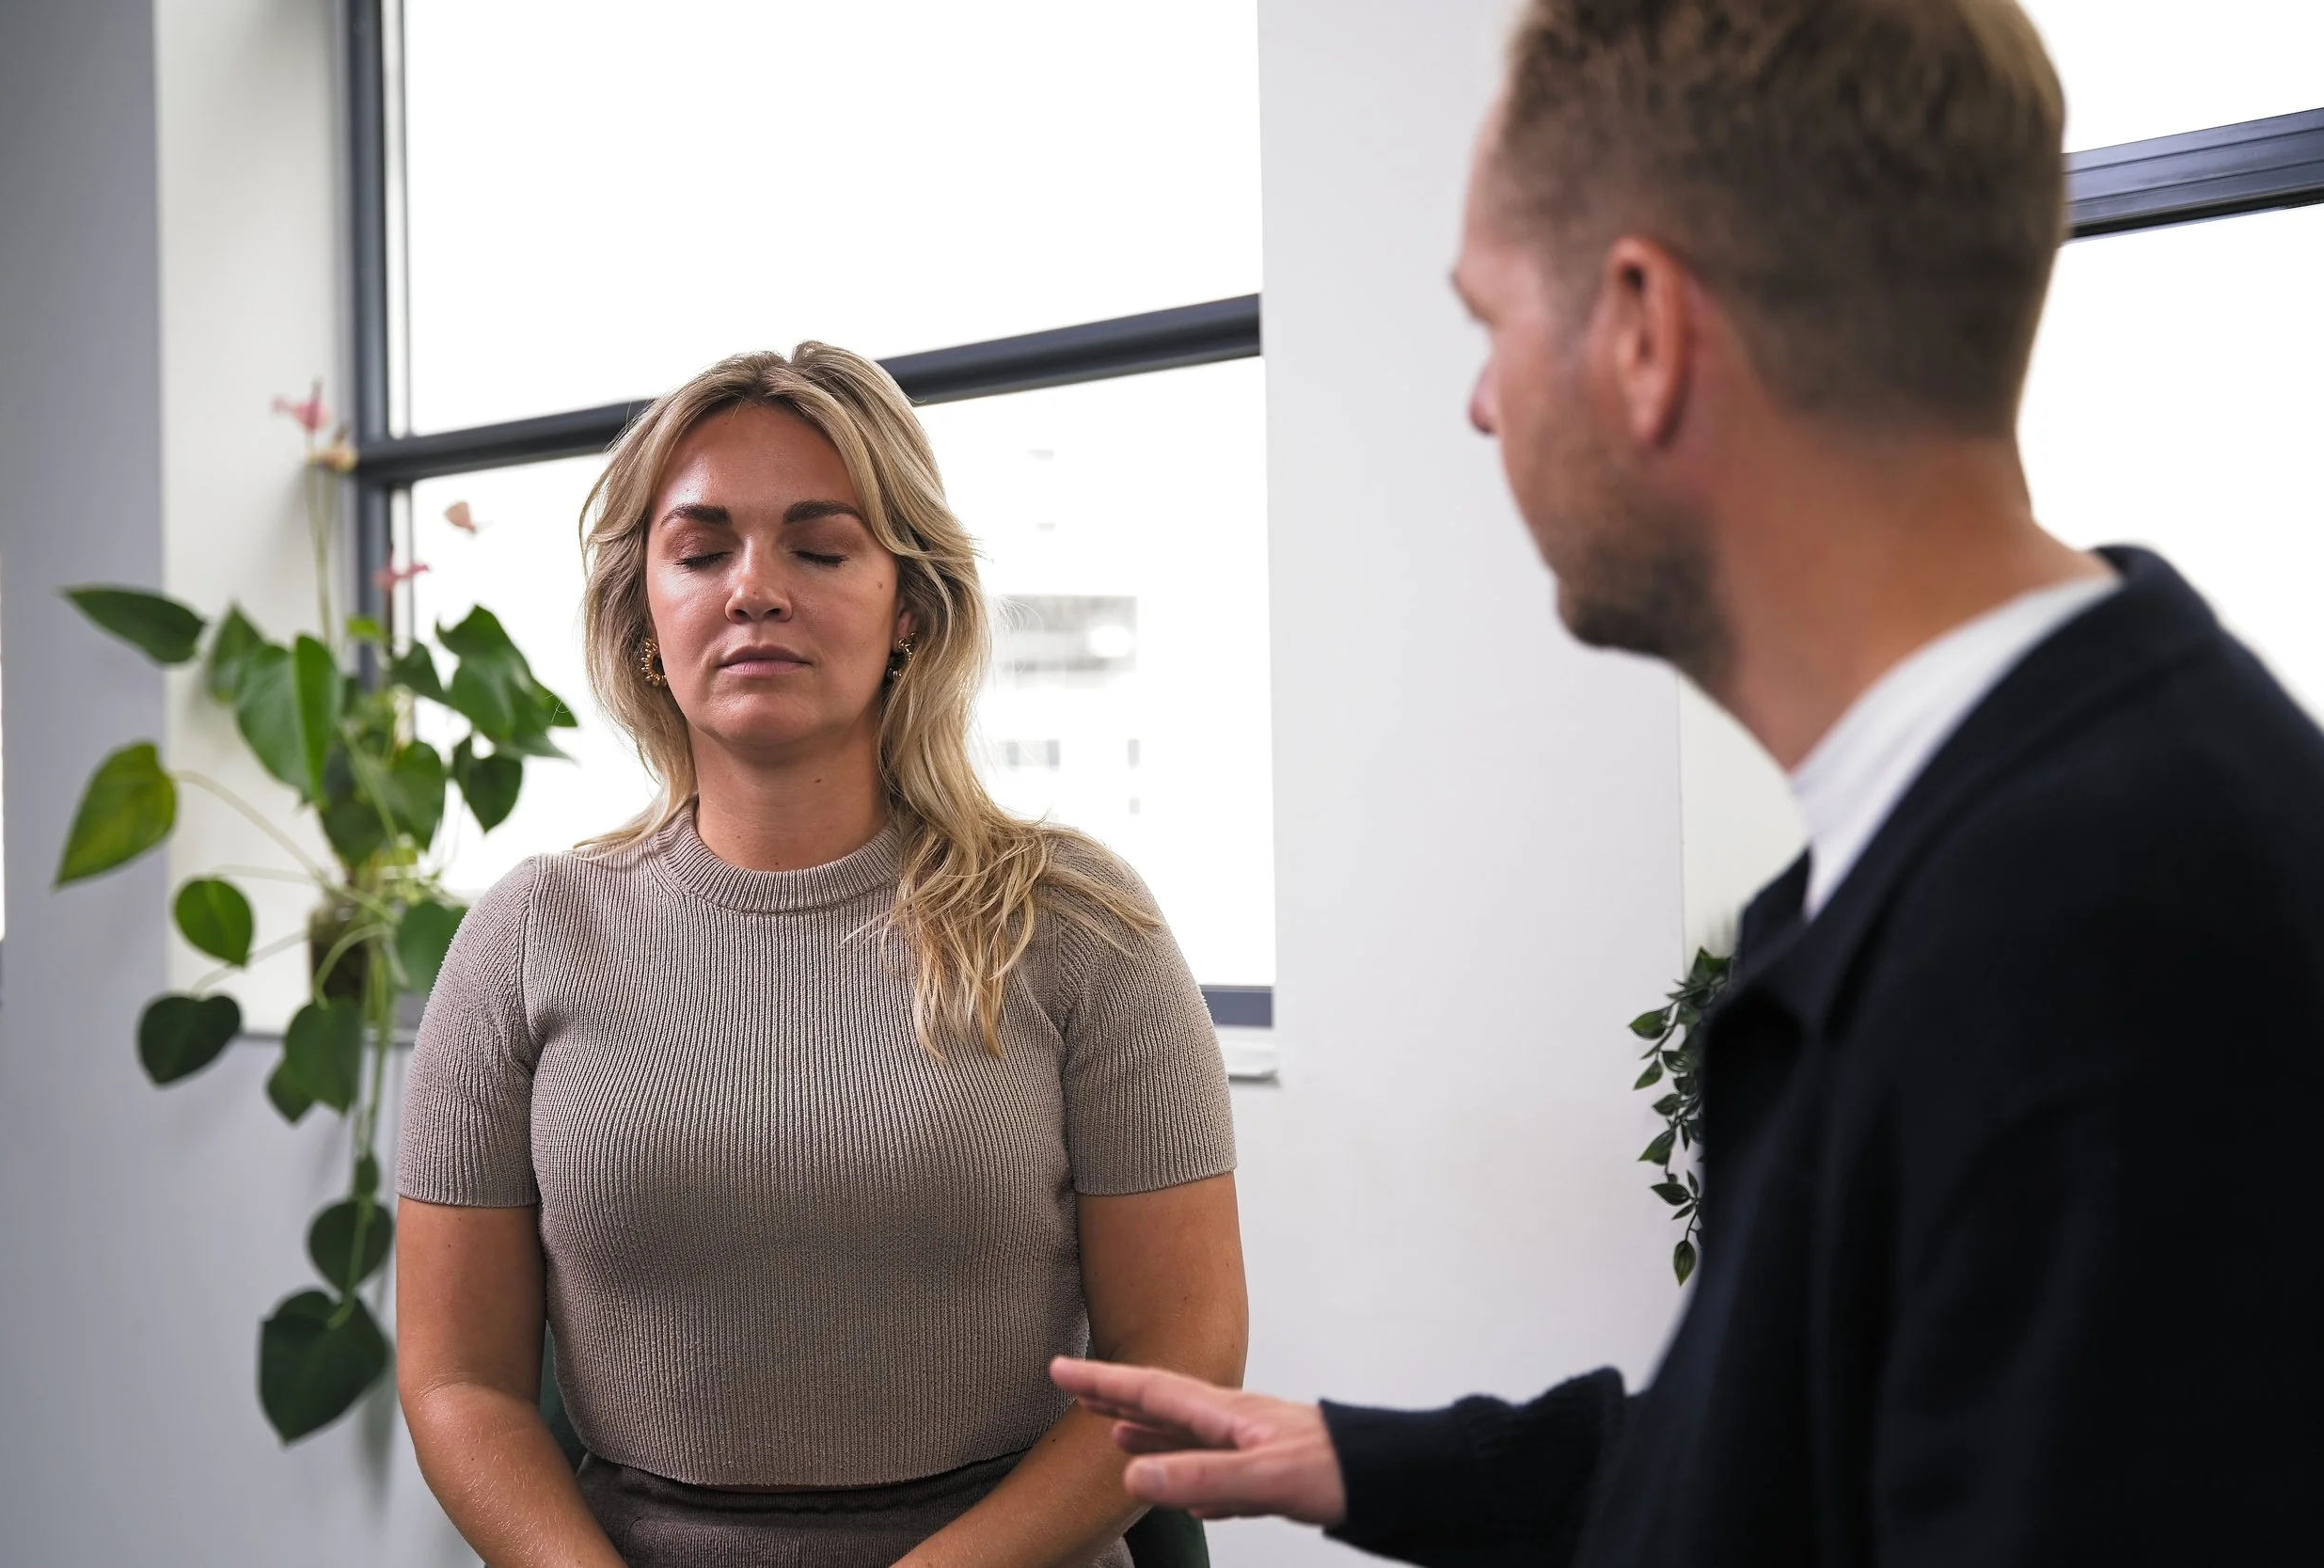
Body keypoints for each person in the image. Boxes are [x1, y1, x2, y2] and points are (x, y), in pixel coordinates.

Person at [1052, 0, 2322, 1562]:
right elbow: (1799, 1449)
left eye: (1490, 321)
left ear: (1645, 333)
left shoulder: (2113, 943)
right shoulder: (1993, 838)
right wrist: (1362, 1459)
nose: (1481, 403)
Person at [393, 344, 1248, 1568]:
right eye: (700, 551)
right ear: (644, 614)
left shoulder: (1076, 925)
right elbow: (460, 1379)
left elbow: (1181, 1354)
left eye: (819, 544)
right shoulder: (527, 938)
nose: (754, 589)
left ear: (909, 605)